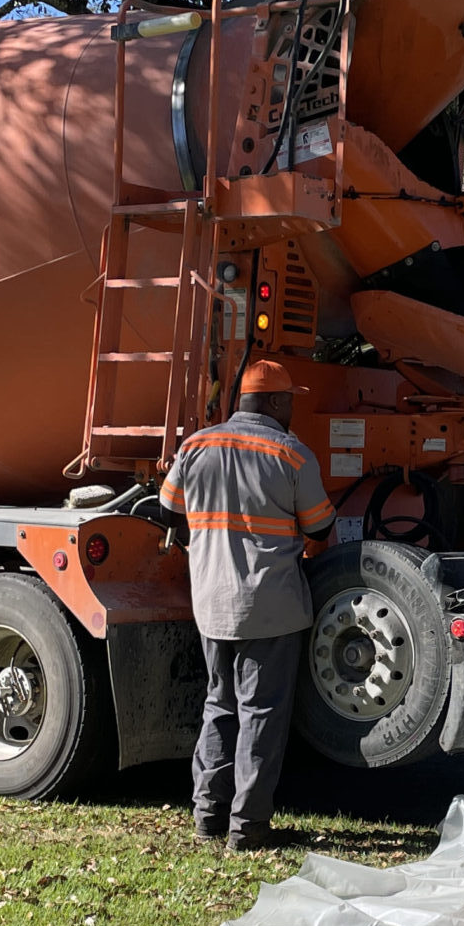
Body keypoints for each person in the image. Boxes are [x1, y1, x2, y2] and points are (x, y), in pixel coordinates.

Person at [157, 358, 336, 851]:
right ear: (276, 402)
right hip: (271, 607)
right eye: (291, 399)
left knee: (219, 705)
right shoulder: (293, 455)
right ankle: (248, 826)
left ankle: (207, 816)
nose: (293, 408)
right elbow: (321, 529)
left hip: (211, 603)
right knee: (261, 712)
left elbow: (167, 511)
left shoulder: (195, 447)